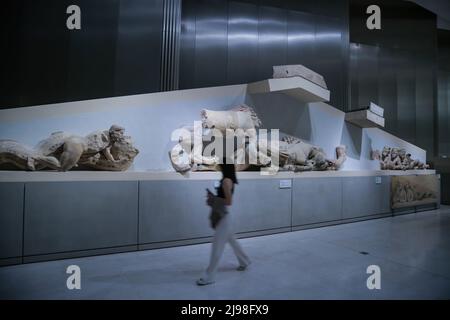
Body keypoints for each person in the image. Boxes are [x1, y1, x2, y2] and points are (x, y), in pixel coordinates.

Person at [196, 161, 251, 286]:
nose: (218, 166)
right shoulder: (227, 179)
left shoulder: (226, 181)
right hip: (225, 216)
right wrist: (214, 197)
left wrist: (213, 198)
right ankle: (245, 261)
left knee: (216, 247)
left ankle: (209, 276)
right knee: (233, 242)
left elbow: (229, 201)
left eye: (220, 164)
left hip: (224, 218)